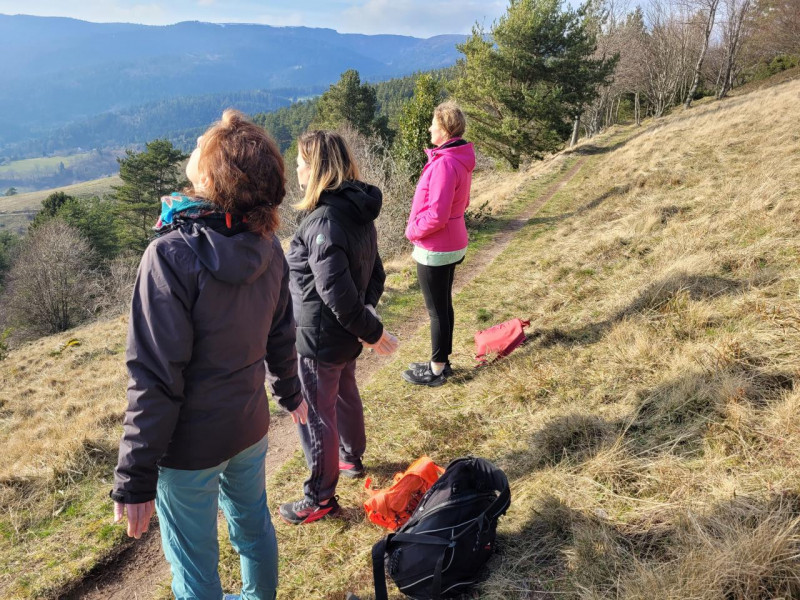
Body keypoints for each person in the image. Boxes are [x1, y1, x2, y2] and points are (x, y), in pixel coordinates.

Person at [110, 109, 307, 600]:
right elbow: (282, 333)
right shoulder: (268, 245)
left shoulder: (170, 256)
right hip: (249, 424)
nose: (193, 146)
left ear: (214, 175)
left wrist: (135, 476)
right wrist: (289, 391)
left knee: (194, 566)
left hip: (189, 448)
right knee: (253, 527)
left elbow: (154, 377)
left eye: (201, 144)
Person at [279, 130, 399, 525]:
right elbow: (374, 275)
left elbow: (337, 294)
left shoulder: (322, 223)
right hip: (344, 336)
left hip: (318, 339)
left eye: (300, 161)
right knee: (345, 394)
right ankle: (350, 458)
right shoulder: (355, 211)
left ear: (315, 168)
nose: (295, 167)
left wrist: (373, 331)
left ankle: (320, 497)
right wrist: (366, 319)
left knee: (317, 414)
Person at [403, 101, 476, 387]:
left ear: (445, 129)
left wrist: (413, 232)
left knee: (436, 310)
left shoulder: (445, 163)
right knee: (443, 306)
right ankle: (441, 361)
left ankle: (436, 369)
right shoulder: (457, 158)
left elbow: (437, 213)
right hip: (452, 241)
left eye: (434, 124)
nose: (430, 128)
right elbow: (462, 203)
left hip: (436, 248)